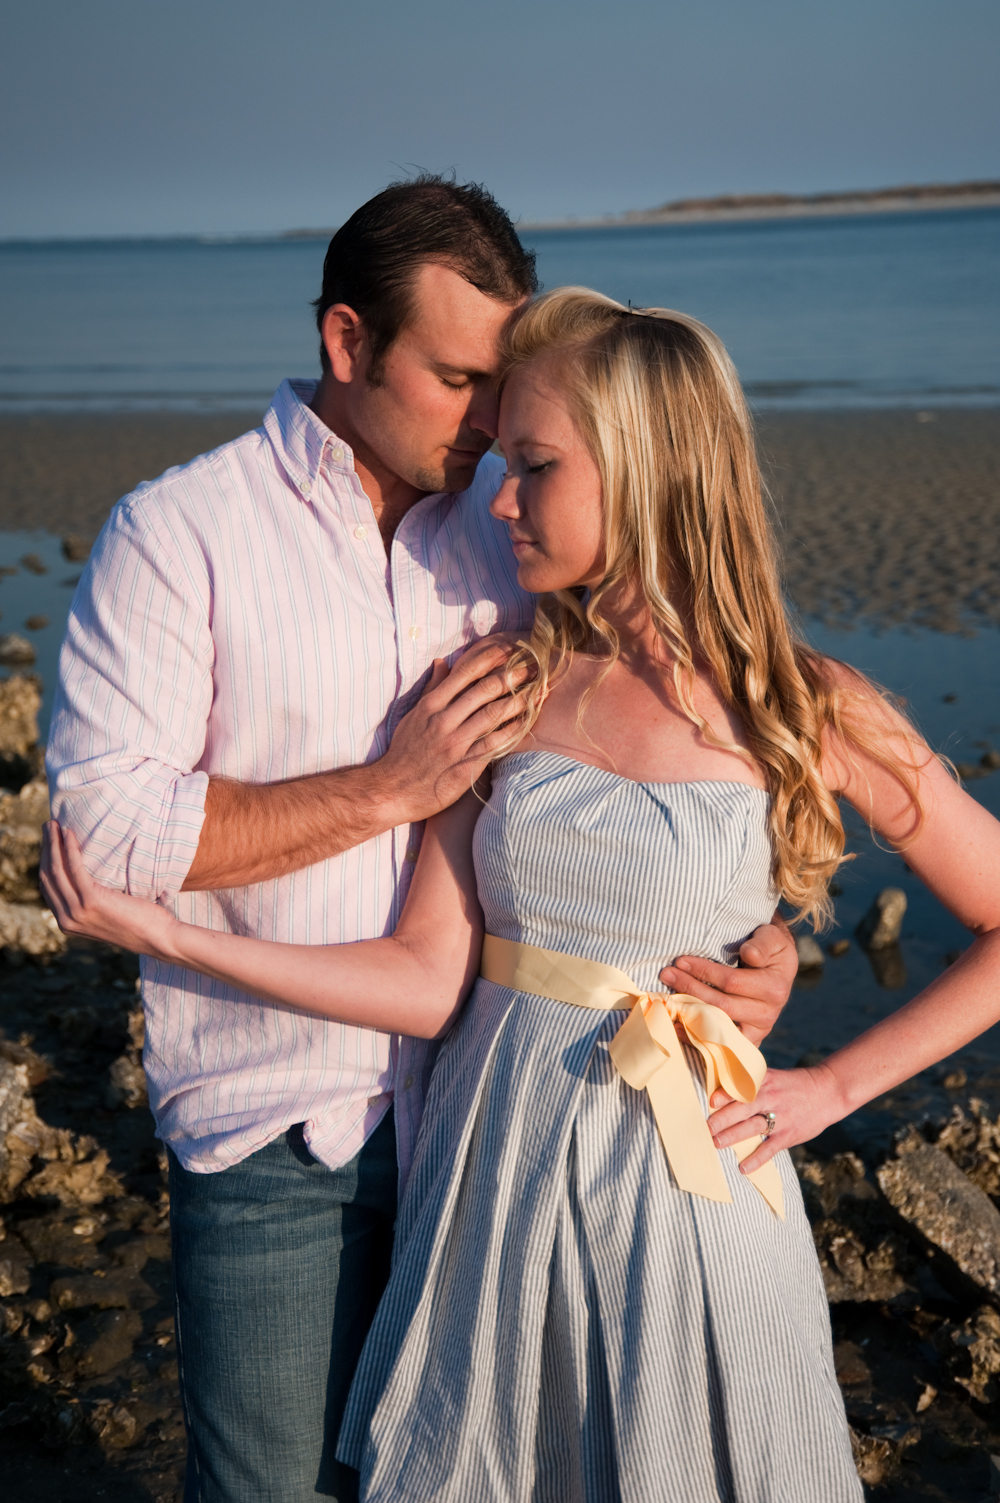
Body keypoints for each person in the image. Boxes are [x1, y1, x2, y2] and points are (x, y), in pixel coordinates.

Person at [45, 193, 796, 1503]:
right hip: (279, 1126)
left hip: (504, 1131)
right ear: (348, 342)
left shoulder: (516, 534)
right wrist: (385, 788)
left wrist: (749, 940)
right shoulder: (179, 537)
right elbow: (108, 833)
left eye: (501, 387)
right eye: (456, 381)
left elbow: (654, 761)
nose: (491, 424)